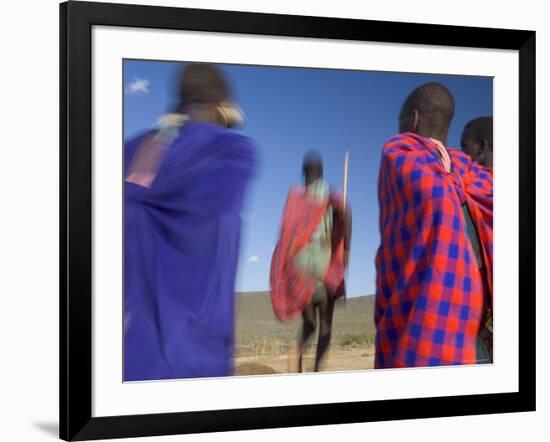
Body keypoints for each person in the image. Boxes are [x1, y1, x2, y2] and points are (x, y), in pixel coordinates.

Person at [124, 63, 256, 381]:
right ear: (218, 107)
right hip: (196, 360)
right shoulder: (231, 151)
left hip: (128, 356)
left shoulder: (132, 150)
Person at [374, 83, 493, 368]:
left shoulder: (400, 152)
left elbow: (433, 198)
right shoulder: (473, 174)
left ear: (413, 118)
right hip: (475, 341)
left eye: (401, 120)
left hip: (424, 341)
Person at [270, 151, 352, 372]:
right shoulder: (330, 194)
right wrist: (345, 251)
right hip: (324, 268)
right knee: (325, 326)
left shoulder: (296, 199)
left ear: (303, 174)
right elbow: (347, 213)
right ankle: (315, 372)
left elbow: (285, 237)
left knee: (309, 324)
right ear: (322, 173)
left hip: (300, 272)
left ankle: (296, 351)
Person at [461, 116, 494, 361]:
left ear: (482, 147)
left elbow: (468, 269)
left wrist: (476, 325)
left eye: (465, 149)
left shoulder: (467, 198)